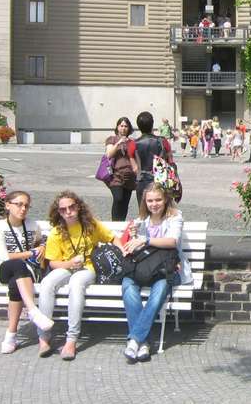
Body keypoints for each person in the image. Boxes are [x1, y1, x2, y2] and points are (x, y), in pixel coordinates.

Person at [38, 191, 122, 360]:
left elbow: (112, 238)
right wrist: (69, 264)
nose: (68, 212)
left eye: (71, 207)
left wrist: (123, 254)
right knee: (47, 283)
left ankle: (71, 339)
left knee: (76, 283)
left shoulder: (91, 224)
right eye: (63, 209)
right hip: (66, 266)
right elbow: (53, 263)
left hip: (88, 267)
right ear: (58, 212)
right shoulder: (56, 232)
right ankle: (43, 337)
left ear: (78, 206)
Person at [121, 183, 191, 363]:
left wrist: (146, 239)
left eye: (158, 200)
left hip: (166, 269)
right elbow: (138, 249)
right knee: (128, 285)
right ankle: (143, 343)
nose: (154, 204)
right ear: (145, 202)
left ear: (165, 199)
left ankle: (134, 340)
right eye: (150, 200)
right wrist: (134, 235)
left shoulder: (175, 217)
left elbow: (172, 241)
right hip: (144, 268)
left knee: (159, 290)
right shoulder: (142, 220)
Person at [0, 191, 54, 354]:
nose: (23, 208)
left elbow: (40, 242)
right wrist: (30, 253)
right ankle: (33, 310)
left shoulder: (32, 225)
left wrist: (42, 246)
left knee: (15, 284)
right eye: (19, 204)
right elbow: (4, 256)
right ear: (8, 205)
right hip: (5, 269)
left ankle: (10, 336)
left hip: (27, 272)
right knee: (17, 264)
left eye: (26, 205)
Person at [127, 111, 173, 208]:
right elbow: (171, 161)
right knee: (161, 210)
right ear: (152, 124)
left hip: (143, 181)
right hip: (161, 180)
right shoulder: (163, 141)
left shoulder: (133, 144)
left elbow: (135, 168)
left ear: (138, 126)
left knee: (144, 210)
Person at [104, 117, 137, 221]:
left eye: (126, 126)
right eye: (121, 126)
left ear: (129, 128)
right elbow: (109, 154)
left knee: (125, 203)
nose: (123, 128)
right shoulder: (112, 139)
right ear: (117, 127)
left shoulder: (132, 142)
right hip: (116, 175)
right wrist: (119, 143)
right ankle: (114, 223)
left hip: (130, 176)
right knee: (118, 198)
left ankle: (121, 223)